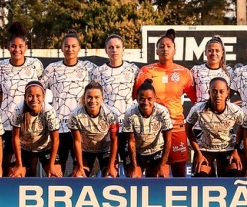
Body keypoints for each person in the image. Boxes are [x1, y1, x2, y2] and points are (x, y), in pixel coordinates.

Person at [133, 29, 196, 177]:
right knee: (155, 174)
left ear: (175, 50)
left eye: (168, 46)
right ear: (156, 50)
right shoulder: (146, 71)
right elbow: (136, 97)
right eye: (161, 46)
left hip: (176, 127)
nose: (165, 49)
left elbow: (197, 100)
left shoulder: (184, 73)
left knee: (180, 174)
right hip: (153, 128)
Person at [0, 22, 44, 175]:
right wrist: (9, 101)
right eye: (13, 46)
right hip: (7, 123)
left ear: (26, 47)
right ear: (8, 47)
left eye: (20, 46)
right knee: (8, 168)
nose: (17, 49)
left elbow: (40, 87)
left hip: (30, 124)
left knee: (30, 169)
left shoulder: (35, 64)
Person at [40, 30, 95, 173]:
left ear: (79, 48)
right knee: (56, 174)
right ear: (61, 48)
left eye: (74, 46)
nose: (70, 49)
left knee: (81, 173)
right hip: (58, 128)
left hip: (81, 128)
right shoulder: (52, 68)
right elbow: (37, 91)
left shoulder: (89, 68)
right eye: (67, 46)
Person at [90, 34, 139, 175]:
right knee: (110, 169)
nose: (114, 50)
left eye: (117, 47)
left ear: (123, 49)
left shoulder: (133, 70)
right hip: (107, 127)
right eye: (110, 47)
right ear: (106, 50)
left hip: (127, 126)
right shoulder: (98, 72)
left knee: (131, 167)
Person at [185, 77, 244, 177]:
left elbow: (243, 127)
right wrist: (198, 152)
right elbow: (188, 128)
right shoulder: (198, 109)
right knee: (201, 176)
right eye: (214, 91)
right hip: (205, 149)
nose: (218, 95)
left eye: (221, 92)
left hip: (228, 148)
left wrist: (236, 150)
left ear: (227, 92)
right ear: (209, 92)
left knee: (235, 176)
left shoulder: (235, 110)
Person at [9, 81, 62, 177]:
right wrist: (19, 165)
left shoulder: (49, 111)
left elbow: (55, 139)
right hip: (25, 148)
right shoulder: (18, 110)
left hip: (45, 148)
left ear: (43, 96)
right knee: (15, 176)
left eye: (38, 95)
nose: (34, 99)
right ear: (25, 97)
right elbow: (15, 138)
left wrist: (51, 166)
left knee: (55, 176)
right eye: (30, 96)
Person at [124, 79, 173, 178]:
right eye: (142, 99)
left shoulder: (162, 112)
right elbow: (131, 141)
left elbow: (168, 140)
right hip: (137, 151)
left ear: (155, 98)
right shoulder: (130, 113)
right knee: (134, 177)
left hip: (156, 149)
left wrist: (162, 166)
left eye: (149, 99)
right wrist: (134, 167)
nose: (146, 102)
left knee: (160, 176)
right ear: (136, 98)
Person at [69, 82, 119, 177]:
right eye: (89, 97)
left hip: (105, 149)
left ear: (102, 99)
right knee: (79, 176)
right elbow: (77, 141)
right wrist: (79, 167)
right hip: (86, 149)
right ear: (84, 98)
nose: (93, 100)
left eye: (96, 97)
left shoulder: (111, 114)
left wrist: (111, 165)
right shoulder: (75, 115)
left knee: (111, 177)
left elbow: (114, 140)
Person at [190, 35, 234, 102]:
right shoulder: (196, 70)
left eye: (217, 51)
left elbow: (231, 93)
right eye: (210, 50)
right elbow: (188, 90)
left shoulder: (229, 71)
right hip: (202, 111)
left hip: (222, 112)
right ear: (205, 52)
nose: (214, 53)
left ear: (222, 53)